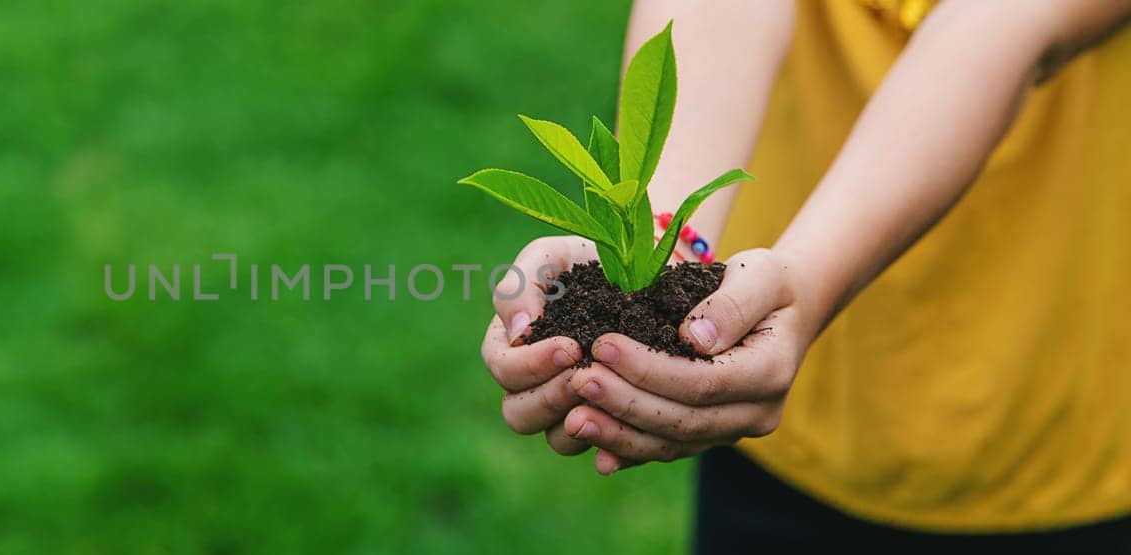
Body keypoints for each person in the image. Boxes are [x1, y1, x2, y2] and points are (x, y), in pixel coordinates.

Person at [478, 0, 1131, 550]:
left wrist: (809, 279)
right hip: (775, 421)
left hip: (1060, 432)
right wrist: (657, 237)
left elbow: (1007, 24)